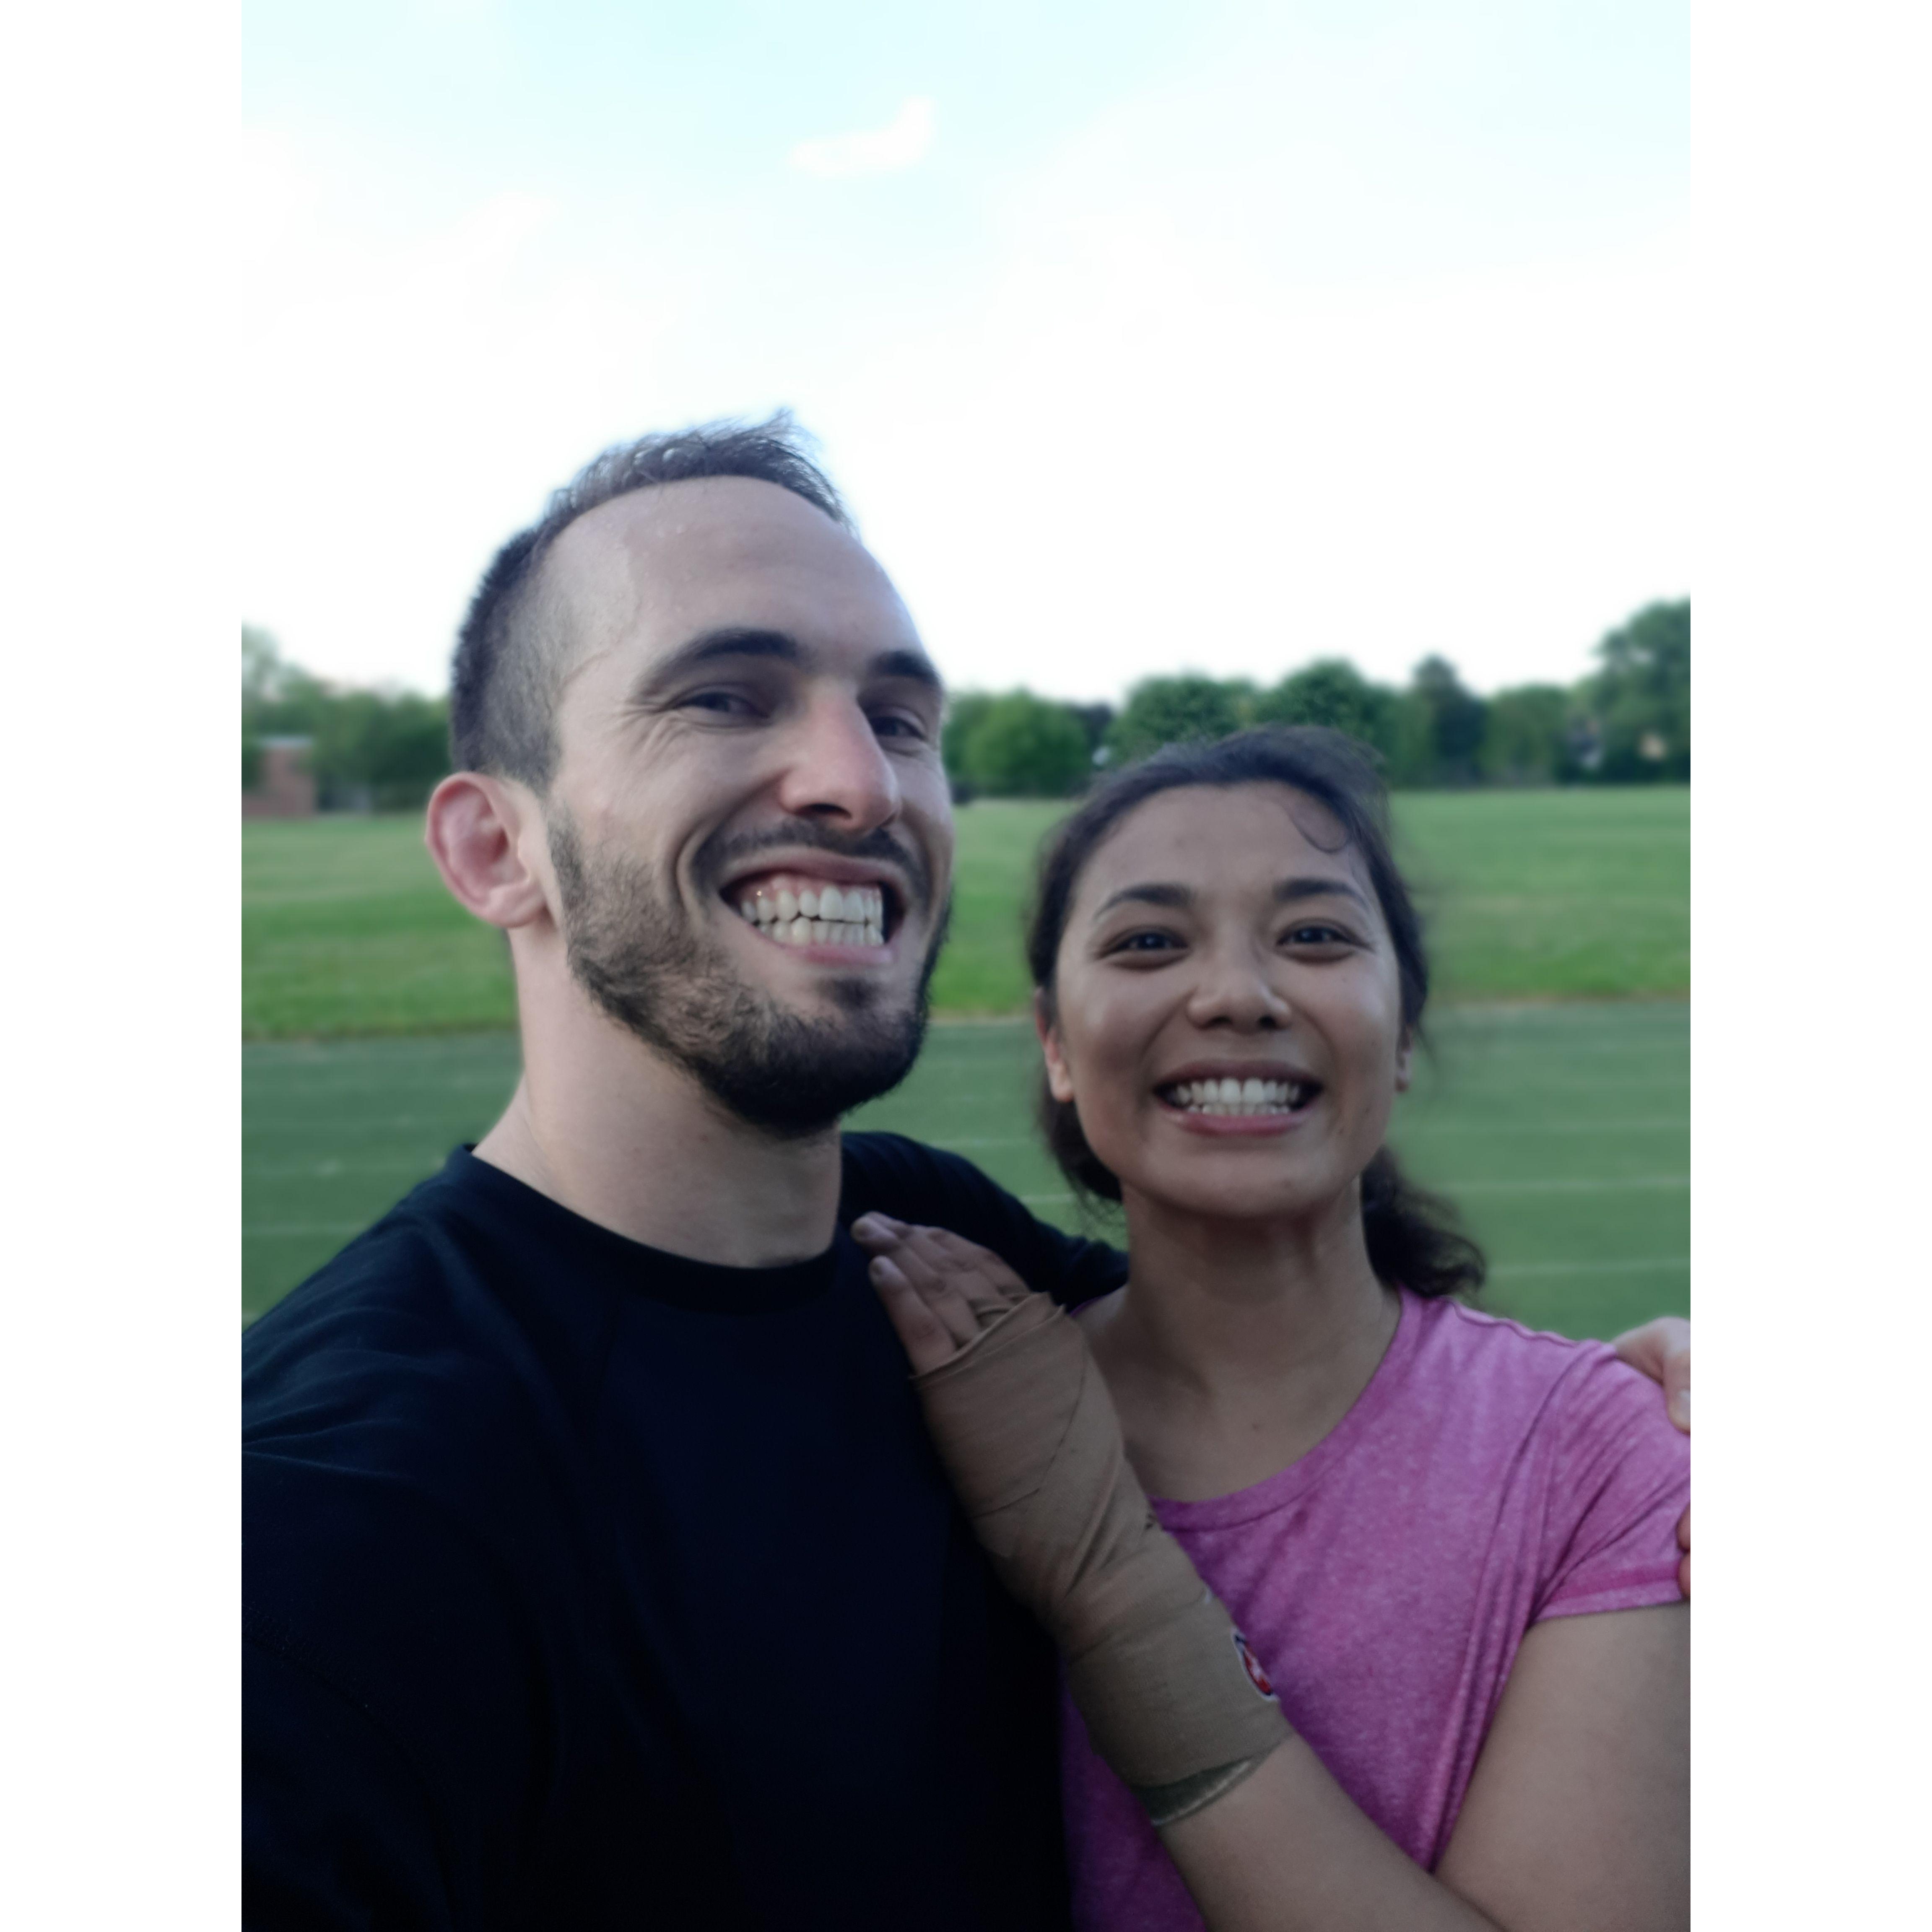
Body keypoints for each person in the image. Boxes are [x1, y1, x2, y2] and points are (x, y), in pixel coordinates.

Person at [243, 417, 1690, 1929]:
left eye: (899, 718)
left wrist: (1635, 1411)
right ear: (496, 849)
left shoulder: (927, 1248)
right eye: (725, 696)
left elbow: (1287, 1361)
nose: (859, 782)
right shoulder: (331, 1527)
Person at [854, 727, 1688, 1930]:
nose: (1237, 996)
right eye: (1149, 942)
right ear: (1054, 1043)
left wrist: (1108, 1580)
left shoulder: (1606, 1459)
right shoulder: (928, 1408)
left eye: (1315, 936)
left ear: (1403, 1030)